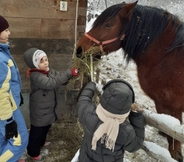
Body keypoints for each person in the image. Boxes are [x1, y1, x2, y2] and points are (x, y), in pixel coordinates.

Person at [23, 47, 79, 162]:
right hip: (39, 111)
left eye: (46, 59)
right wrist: (68, 72)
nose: (45, 63)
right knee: (37, 131)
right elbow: (51, 83)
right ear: (34, 65)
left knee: (46, 127)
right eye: (41, 61)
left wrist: (69, 78)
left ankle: (42, 142)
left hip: (47, 109)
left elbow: (58, 77)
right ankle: (33, 152)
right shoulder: (36, 76)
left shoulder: (49, 70)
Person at [76, 79, 145, 162]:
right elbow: (135, 146)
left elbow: (83, 101)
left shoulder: (89, 113)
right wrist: (136, 116)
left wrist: (91, 85)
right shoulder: (127, 131)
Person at [0, 15, 28, 162]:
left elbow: (6, 83)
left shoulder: (2, 52)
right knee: (19, 141)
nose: (9, 33)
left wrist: (16, 93)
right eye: (5, 30)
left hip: (8, 104)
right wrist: (9, 120)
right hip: (6, 110)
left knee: (2, 140)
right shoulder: (0, 59)